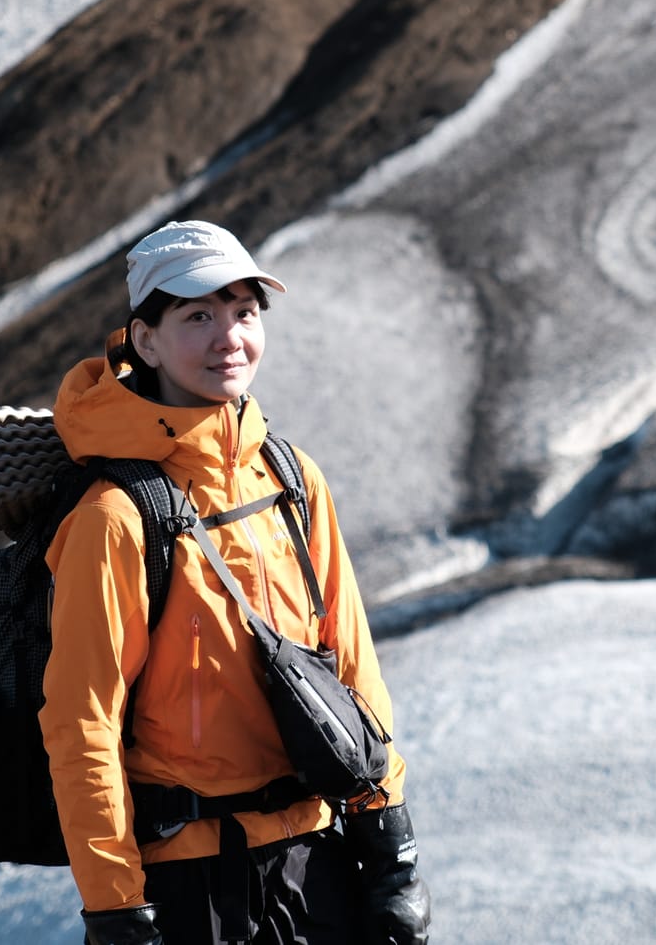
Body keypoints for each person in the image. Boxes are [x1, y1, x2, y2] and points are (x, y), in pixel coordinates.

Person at [39, 220, 431, 945]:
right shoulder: (116, 516)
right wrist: (115, 907)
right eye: (198, 315)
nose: (230, 337)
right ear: (145, 339)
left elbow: (350, 663)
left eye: (244, 312)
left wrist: (389, 845)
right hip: (196, 886)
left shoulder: (290, 477)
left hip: (320, 862)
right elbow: (81, 724)